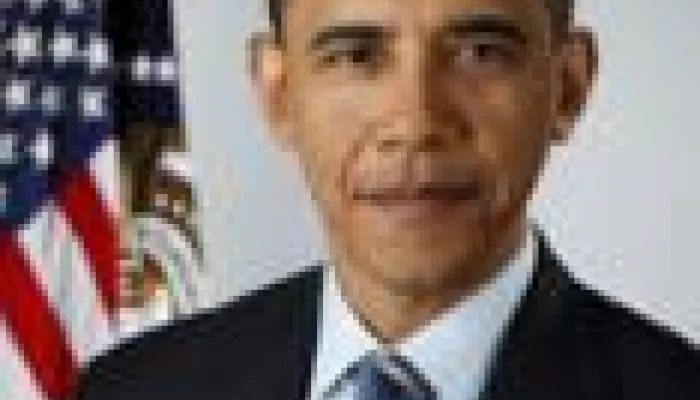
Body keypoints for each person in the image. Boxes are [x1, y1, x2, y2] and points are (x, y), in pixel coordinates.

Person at [76, 0, 699, 399]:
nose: (415, 122)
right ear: (278, 94)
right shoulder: (129, 390)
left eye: (480, 53)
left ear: (567, 86)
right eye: (355, 55)